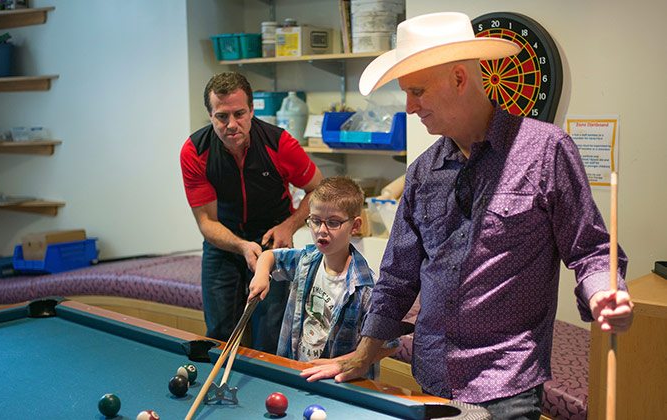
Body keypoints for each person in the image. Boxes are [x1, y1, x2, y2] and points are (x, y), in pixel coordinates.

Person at [300, 12, 634, 420]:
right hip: (432, 378)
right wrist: (364, 352)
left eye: (417, 91)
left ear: (460, 79)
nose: (408, 107)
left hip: (504, 383)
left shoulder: (546, 150)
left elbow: (591, 251)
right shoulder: (423, 171)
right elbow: (398, 276)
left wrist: (603, 293)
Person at [180, 71, 324, 353]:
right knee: (219, 335)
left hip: (273, 239)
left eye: (239, 114)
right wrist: (243, 246)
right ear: (209, 115)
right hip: (224, 242)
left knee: (268, 337)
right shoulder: (194, 151)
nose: (231, 124)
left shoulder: (279, 143)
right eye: (222, 116)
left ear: (252, 110)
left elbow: (319, 190)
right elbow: (206, 222)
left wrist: (289, 226)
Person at [248, 176, 398, 380]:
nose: (321, 231)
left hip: (344, 384)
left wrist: (340, 363)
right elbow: (269, 256)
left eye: (333, 223)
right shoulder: (306, 260)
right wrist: (261, 275)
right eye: (315, 221)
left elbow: (388, 345)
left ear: (355, 226)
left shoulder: (368, 287)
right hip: (298, 371)